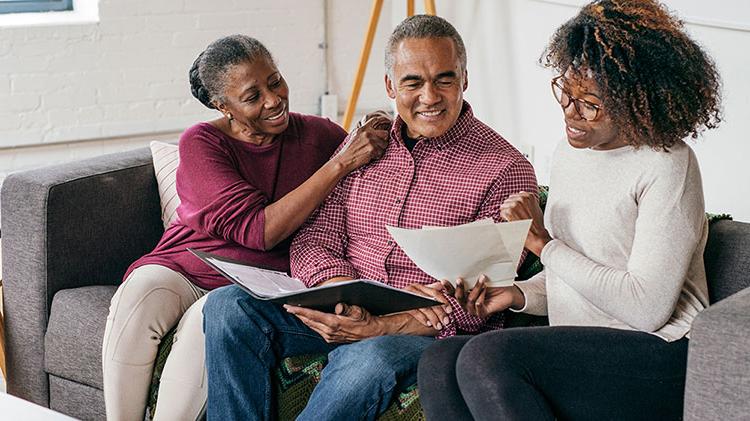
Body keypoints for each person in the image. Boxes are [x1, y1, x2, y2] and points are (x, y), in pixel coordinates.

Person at [202, 15, 537, 421]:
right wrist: (340, 292)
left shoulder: (506, 169)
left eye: (444, 79)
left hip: (422, 333)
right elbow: (313, 239)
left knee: (367, 358)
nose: (430, 96)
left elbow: (483, 300)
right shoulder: (363, 147)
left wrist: (384, 325)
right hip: (346, 305)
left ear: (464, 79)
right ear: (390, 86)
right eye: (413, 82)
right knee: (228, 307)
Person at [417, 1, 723, 420]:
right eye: (566, 92)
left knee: (487, 358)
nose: (571, 114)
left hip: (661, 355)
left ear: (638, 101)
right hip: (584, 344)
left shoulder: (667, 164)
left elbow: (645, 306)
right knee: (438, 362)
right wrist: (519, 295)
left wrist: (545, 246)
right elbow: (585, 274)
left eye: (591, 104)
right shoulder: (570, 153)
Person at [101, 34, 389, 421]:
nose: (273, 100)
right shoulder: (203, 142)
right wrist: (338, 165)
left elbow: (374, 168)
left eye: (275, 81)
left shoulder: (319, 135)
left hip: (255, 284)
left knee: (209, 321)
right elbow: (259, 230)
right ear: (223, 106)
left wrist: (381, 128)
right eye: (253, 96)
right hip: (185, 265)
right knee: (138, 296)